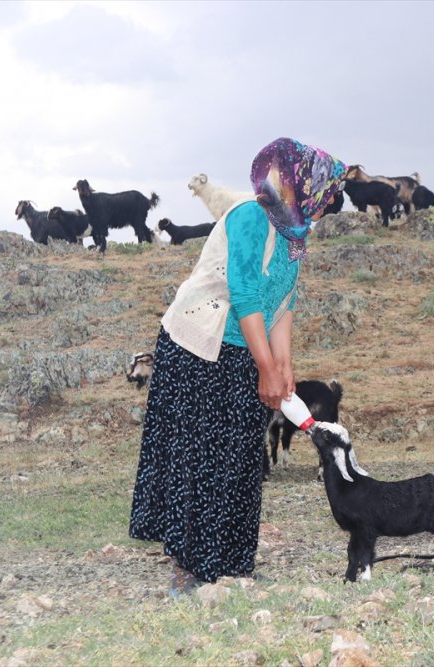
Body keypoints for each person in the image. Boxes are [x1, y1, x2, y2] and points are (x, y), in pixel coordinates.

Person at [129, 138, 346, 594]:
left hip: (245, 348)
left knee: (242, 457)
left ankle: (232, 565)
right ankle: (188, 570)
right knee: (200, 457)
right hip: (198, 349)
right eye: (324, 191)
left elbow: (283, 304)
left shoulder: (295, 235)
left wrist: (283, 367)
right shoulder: (250, 216)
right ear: (297, 182)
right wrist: (266, 367)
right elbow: (245, 295)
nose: (327, 202)